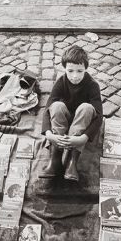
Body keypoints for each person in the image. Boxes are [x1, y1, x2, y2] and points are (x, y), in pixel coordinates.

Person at [41, 45, 103, 181]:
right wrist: (49, 134)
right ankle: (55, 159)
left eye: (80, 71)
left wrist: (83, 138)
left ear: (86, 69)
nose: (75, 76)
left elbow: (99, 117)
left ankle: (71, 160)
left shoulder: (92, 85)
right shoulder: (61, 82)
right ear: (64, 69)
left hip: (82, 123)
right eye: (70, 71)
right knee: (56, 106)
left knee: (86, 108)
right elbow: (47, 110)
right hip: (65, 121)